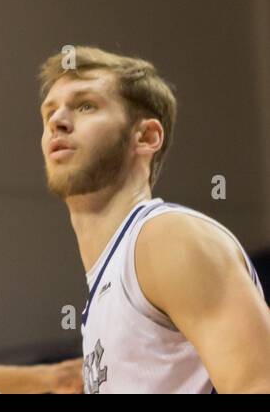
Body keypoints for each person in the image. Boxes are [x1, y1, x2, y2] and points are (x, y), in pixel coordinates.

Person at [38, 46, 270, 393]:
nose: (58, 121)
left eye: (86, 105)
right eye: (49, 112)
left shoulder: (167, 238)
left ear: (146, 137)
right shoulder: (109, 280)